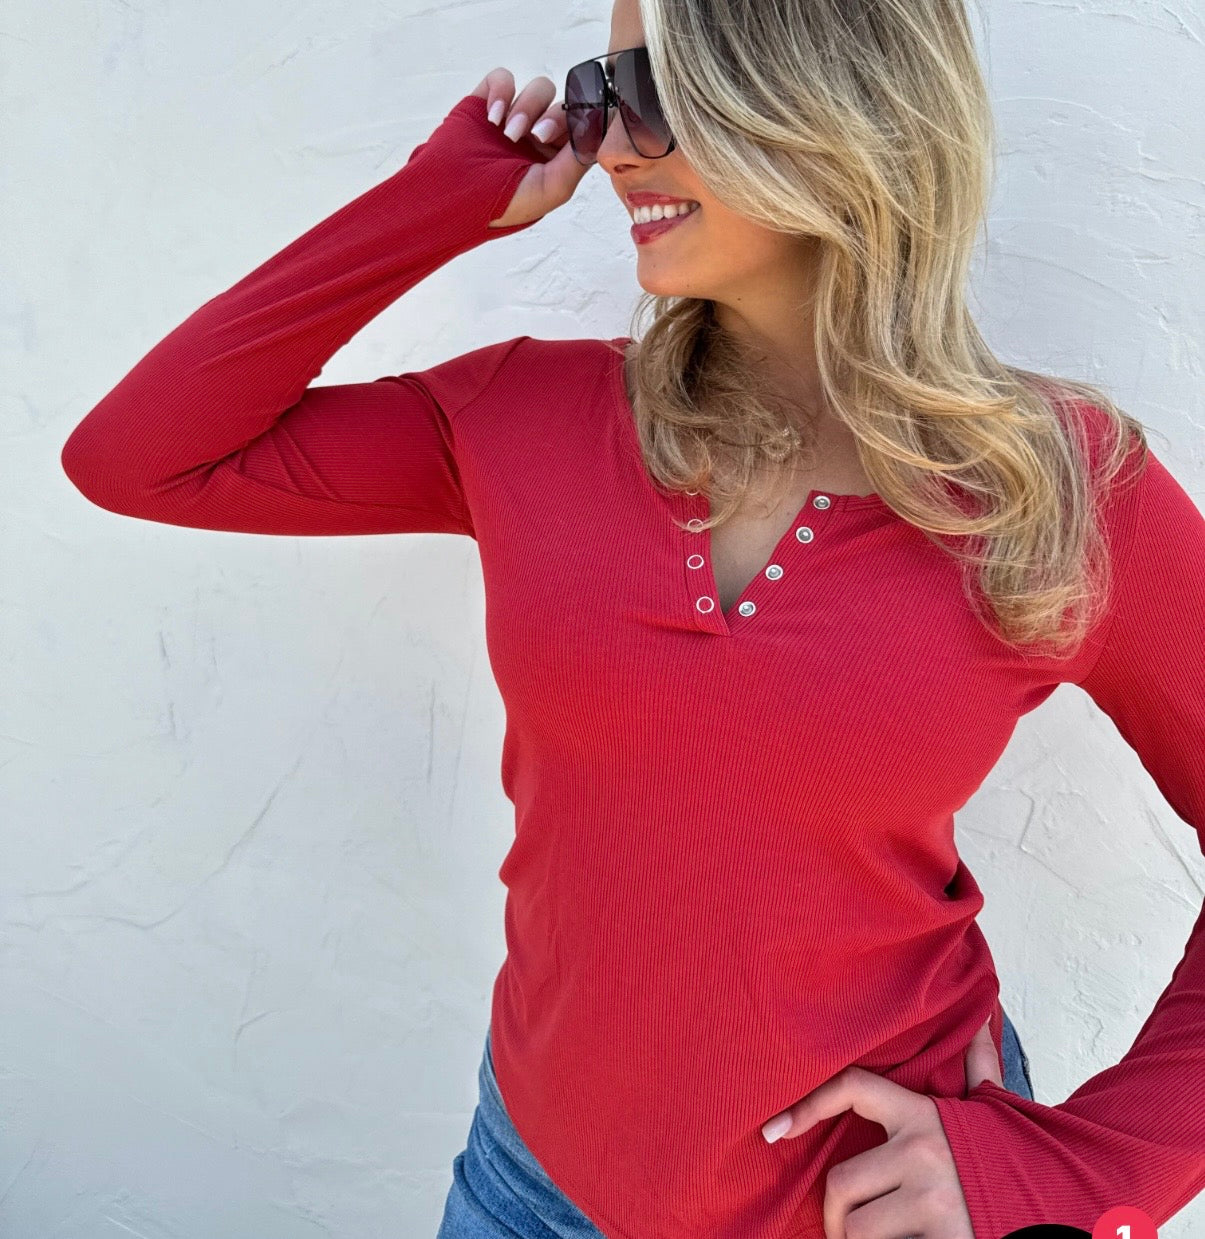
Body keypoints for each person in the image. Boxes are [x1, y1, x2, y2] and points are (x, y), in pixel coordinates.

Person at [59, 0, 1202, 1236]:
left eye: (655, 88)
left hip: (875, 1212)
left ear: (819, 99)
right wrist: (436, 202)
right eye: (601, 89)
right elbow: (141, 456)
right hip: (527, 1190)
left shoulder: (1060, 494)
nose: (609, 145)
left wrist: (1087, 1169)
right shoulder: (522, 419)